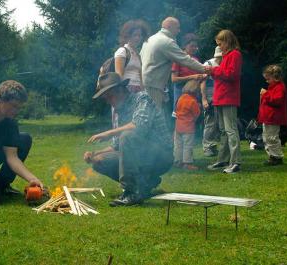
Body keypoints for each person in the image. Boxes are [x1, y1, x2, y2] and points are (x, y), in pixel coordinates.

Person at [84, 73, 173, 207]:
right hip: (143, 156)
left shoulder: (142, 98)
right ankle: (146, 185)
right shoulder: (122, 110)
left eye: (109, 97)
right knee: (99, 161)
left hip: (161, 155)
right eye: (106, 99)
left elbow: (138, 125)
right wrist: (95, 154)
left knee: (127, 135)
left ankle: (131, 192)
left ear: (120, 90)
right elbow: (117, 146)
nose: (108, 101)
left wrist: (108, 133)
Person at [140, 17, 208, 113]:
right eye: (177, 28)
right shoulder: (166, 41)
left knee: (149, 113)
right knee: (151, 116)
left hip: (146, 82)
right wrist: (206, 69)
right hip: (154, 84)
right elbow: (185, 59)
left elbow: (141, 58)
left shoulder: (150, 39)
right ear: (169, 26)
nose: (179, 31)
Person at [206, 30, 243, 173]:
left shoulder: (235, 55)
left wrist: (214, 70)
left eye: (220, 44)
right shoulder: (226, 55)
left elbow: (231, 75)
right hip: (221, 97)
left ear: (227, 41)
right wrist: (214, 71)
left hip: (228, 97)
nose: (219, 47)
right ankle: (223, 159)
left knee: (231, 130)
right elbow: (223, 75)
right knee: (223, 131)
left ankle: (235, 162)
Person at [257, 64, 287, 165]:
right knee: (267, 137)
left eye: (268, 79)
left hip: (273, 117)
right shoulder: (273, 87)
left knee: (272, 137)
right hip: (268, 117)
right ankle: (272, 156)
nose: (267, 81)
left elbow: (277, 101)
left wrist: (265, 94)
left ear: (275, 77)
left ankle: (277, 157)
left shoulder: (280, 87)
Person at [171, 33, 203, 117]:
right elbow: (173, 79)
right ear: (185, 45)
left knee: (194, 121)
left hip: (194, 95)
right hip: (181, 94)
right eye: (192, 46)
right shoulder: (178, 59)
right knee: (181, 121)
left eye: (196, 46)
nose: (195, 48)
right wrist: (191, 77)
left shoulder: (196, 60)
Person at [114, 19, 150, 93]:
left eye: (140, 35)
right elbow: (118, 75)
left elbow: (140, 78)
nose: (137, 38)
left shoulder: (137, 55)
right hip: (126, 90)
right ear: (128, 36)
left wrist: (143, 92)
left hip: (138, 91)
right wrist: (121, 93)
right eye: (135, 35)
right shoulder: (122, 51)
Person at [173, 80, 201, 170]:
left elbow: (176, 110)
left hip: (178, 126)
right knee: (187, 145)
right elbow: (196, 114)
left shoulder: (180, 98)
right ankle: (187, 163)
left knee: (178, 145)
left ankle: (177, 161)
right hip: (188, 126)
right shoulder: (193, 101)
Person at [200, 46, 222, 157]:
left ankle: (213, 146)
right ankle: (207, 147)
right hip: (210, 96)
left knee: (218, 123)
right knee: (210, 122)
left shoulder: (224, 64)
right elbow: (203, 82)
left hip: (221, 96)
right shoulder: (208, 64)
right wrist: (204, 99)